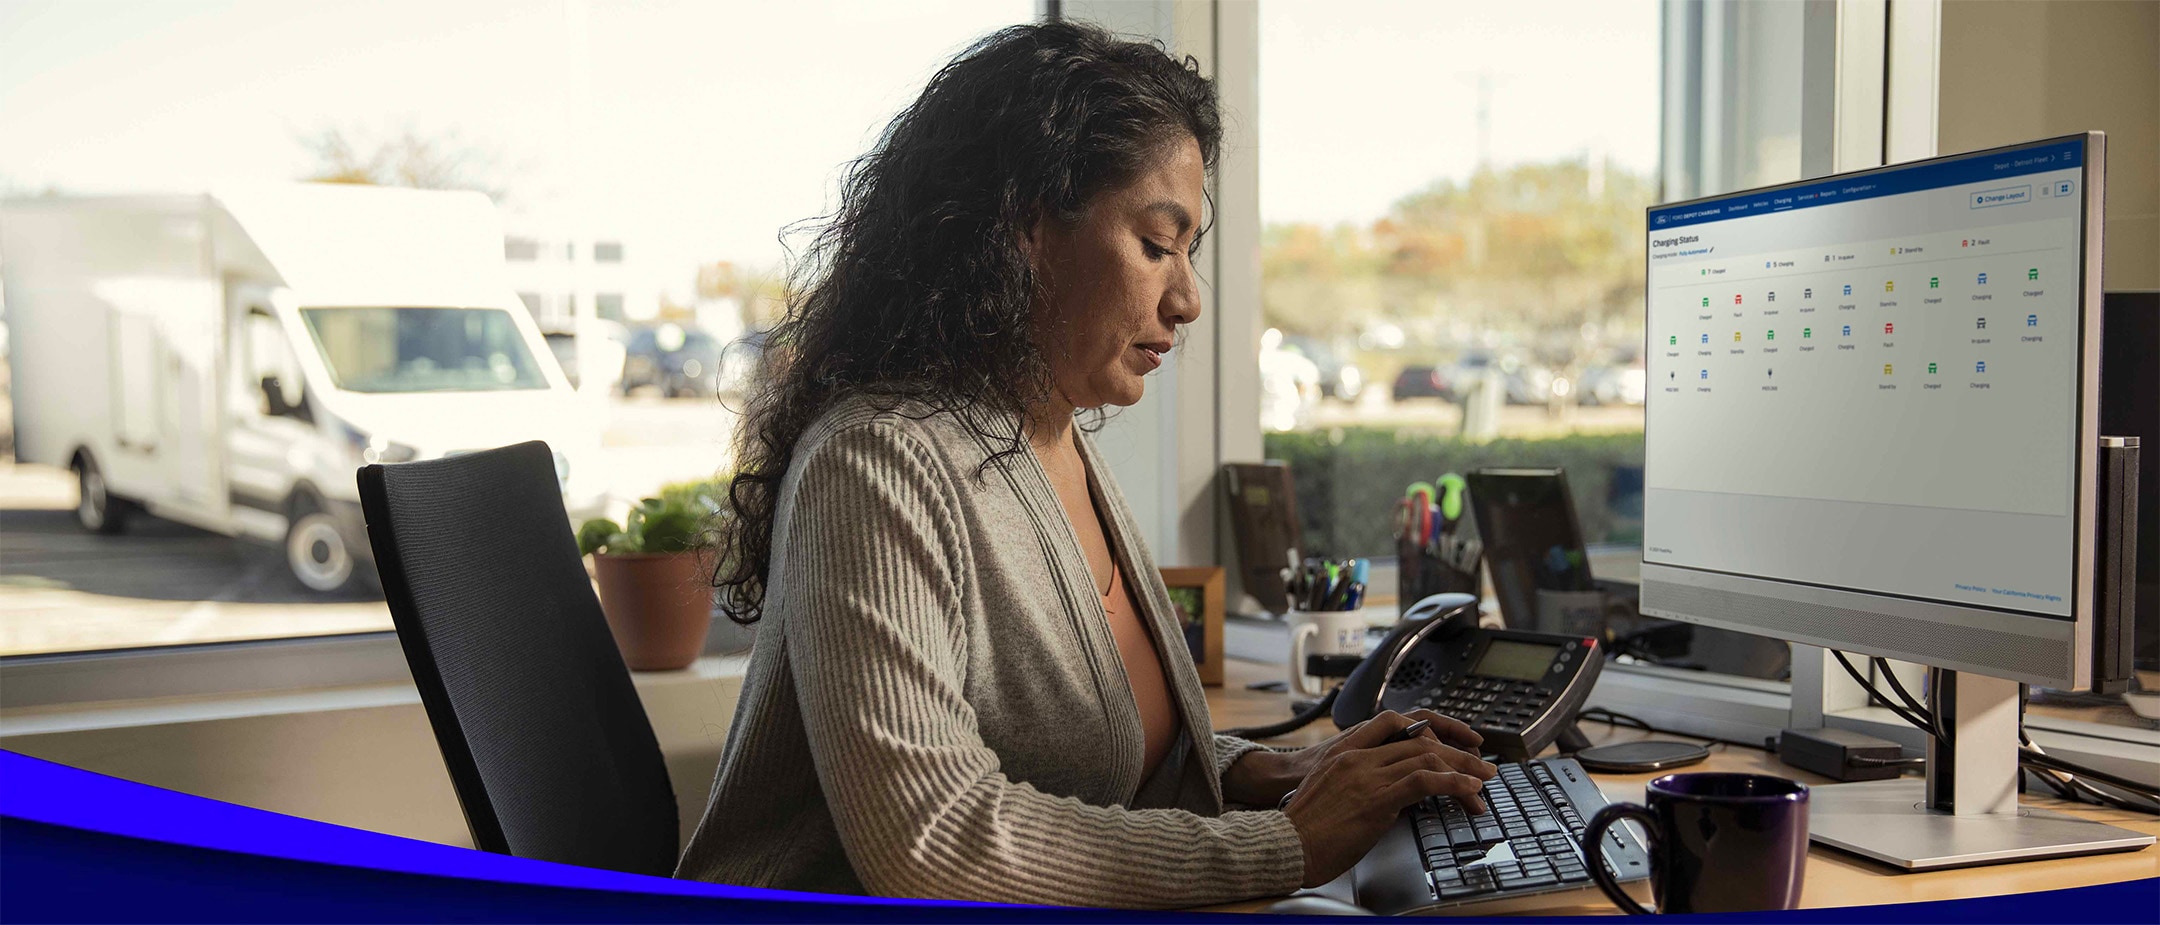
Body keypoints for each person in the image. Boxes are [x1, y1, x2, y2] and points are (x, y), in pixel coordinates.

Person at [675, 21, 1494, 909]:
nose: (1185, 300)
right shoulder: (878, 463)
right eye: (1154, 244)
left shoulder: (1050, 435)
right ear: (1024, 227)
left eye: (1190, 252)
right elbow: (932, 839)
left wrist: (1276, 767)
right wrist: (1289, 842)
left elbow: (1085, 756)